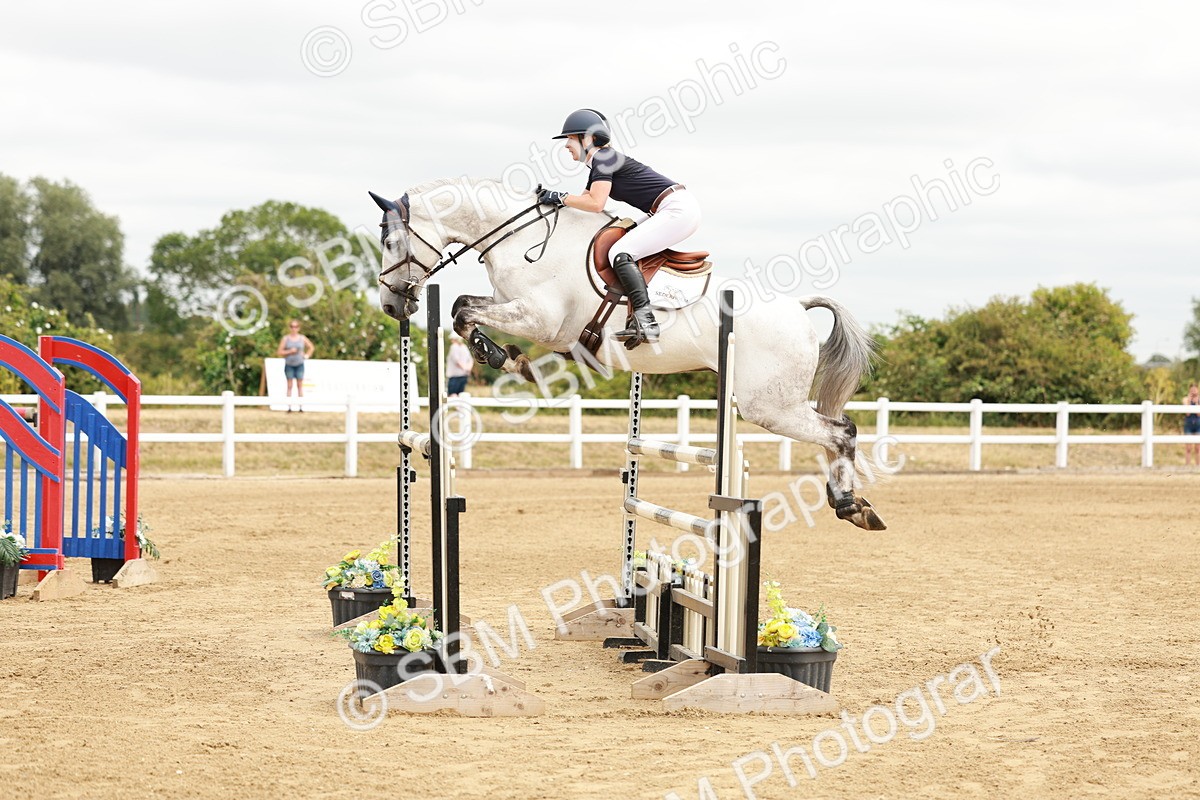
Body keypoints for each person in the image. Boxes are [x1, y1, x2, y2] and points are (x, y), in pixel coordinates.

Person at [537, 107, 700, 349]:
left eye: (570, 138)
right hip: (668, 208)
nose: (566, 145)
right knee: (620, 244)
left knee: (620, 252)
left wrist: (560, 196)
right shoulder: (601, 161)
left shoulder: (603, 158)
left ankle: (646, 320)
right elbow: (584, 201)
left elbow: (596, 204)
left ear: (588, 139)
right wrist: (556, 201)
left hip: (677, 209)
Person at [277, 320, 314, 412]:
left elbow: (311, 347)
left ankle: (301, 407)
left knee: (299, 386)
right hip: (289, 364)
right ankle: (289, 407)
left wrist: (306, 356)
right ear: (290, 328)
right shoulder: (286, 339)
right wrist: (290, 351)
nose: (294, 328)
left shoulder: (302, 338)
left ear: (299, 328)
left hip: (299, 364)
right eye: (292, 326)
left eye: (296, 326)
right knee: (289, 386)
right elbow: (279, 352)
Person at [1184, 382, 1200, 465]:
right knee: (1188, 448)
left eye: (1195, 389)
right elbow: (1187, 413)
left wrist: (1197, 402)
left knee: (1198, 448)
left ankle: (1198, 466)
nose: (1193, 391)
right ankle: (1187, 466)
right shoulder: (1185, 399)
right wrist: (1189, 401)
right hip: (1188, 425)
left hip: (1198, 425)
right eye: (1192, 390)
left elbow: (1198, 414)